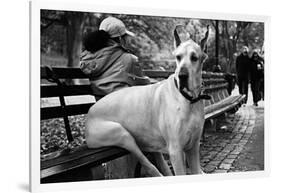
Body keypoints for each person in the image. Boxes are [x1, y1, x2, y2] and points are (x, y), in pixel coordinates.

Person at [80, 16, 150, 99]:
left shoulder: (90, 59)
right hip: (121, 107)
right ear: (120, 38)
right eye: (125, 36)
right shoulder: (130, 59)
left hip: (100, 106)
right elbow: (144, 85)